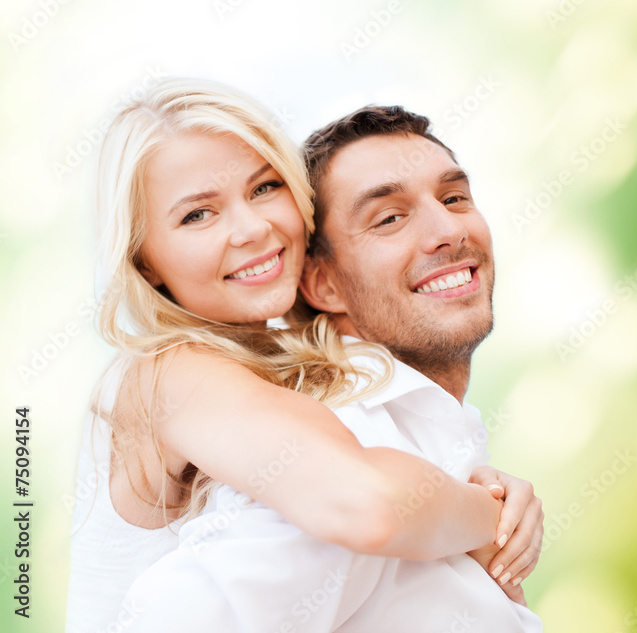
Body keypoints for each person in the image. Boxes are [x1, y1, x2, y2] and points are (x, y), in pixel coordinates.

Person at [67, 81, 540, 633]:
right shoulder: (167, 373)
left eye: (265, 187)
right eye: (197, 215)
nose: (252, 229)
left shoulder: (298, 381)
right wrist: (492, 512)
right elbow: (367, 503)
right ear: (144, 262)